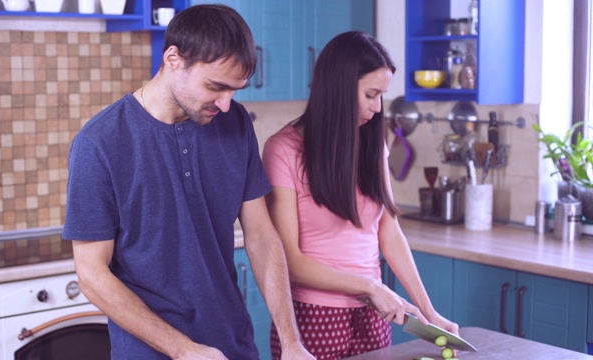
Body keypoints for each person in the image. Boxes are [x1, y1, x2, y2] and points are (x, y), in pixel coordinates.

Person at [63, 4, 315, 360]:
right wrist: (183, 350)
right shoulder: (100, 143)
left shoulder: (235, 123)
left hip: (234, 345)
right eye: (216, 86)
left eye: (235, 90)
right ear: (173, 59)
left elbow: (260, 234)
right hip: (153, 351)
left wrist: (291, 342)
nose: (226, 104)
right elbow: (91, 274)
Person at [262, 31, 459, 360]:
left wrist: (429, 314)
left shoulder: (372, 144)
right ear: (339, 86)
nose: (377, 106)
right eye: (371, 94)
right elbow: (289, 262)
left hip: (374, 315)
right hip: (312, 316)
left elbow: (389, 232)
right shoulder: (282, 150)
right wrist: (370, 286)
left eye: (382, 95)